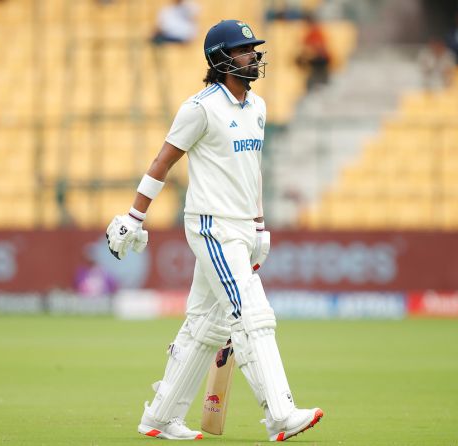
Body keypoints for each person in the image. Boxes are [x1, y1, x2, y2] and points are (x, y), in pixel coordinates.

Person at [106, 19, 323, 441]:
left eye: (254, 50)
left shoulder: (257, 107)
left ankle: (160, 417)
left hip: (242, 227)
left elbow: (251, 173)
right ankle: (280, 414)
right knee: (252, 314)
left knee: (206, 325)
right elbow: (162, 162)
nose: (253, 57)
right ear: (221, 59)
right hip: (211, 226)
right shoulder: (201, 107)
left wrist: (259, 226)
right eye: (244, 51)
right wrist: (134, 217)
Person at [295, 14, 331, 91]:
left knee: (319, 80)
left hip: (321, 60)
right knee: (317, 79)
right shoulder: (312, 32)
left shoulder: (315, 32)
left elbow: (318, 47)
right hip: (319, 59)